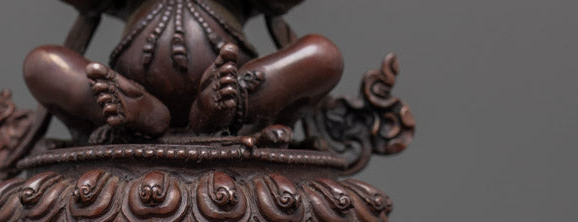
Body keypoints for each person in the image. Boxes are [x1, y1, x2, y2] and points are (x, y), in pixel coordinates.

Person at [23, 0, 343, 136]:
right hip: (131, 86)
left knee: (322, 55)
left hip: (234, 82)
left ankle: (225, 107)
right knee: (42, 63)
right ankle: (140, 114)